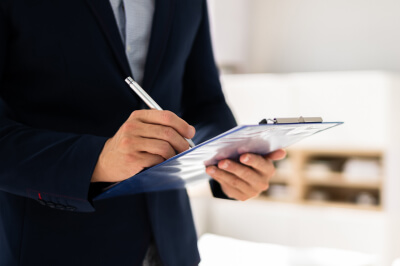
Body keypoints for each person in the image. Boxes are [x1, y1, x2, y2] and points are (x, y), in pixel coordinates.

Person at [0, 0, 285, 265]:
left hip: (172, 247)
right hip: (50, 247)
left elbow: (205, 103)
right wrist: (97, 160)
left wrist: (228, 159)